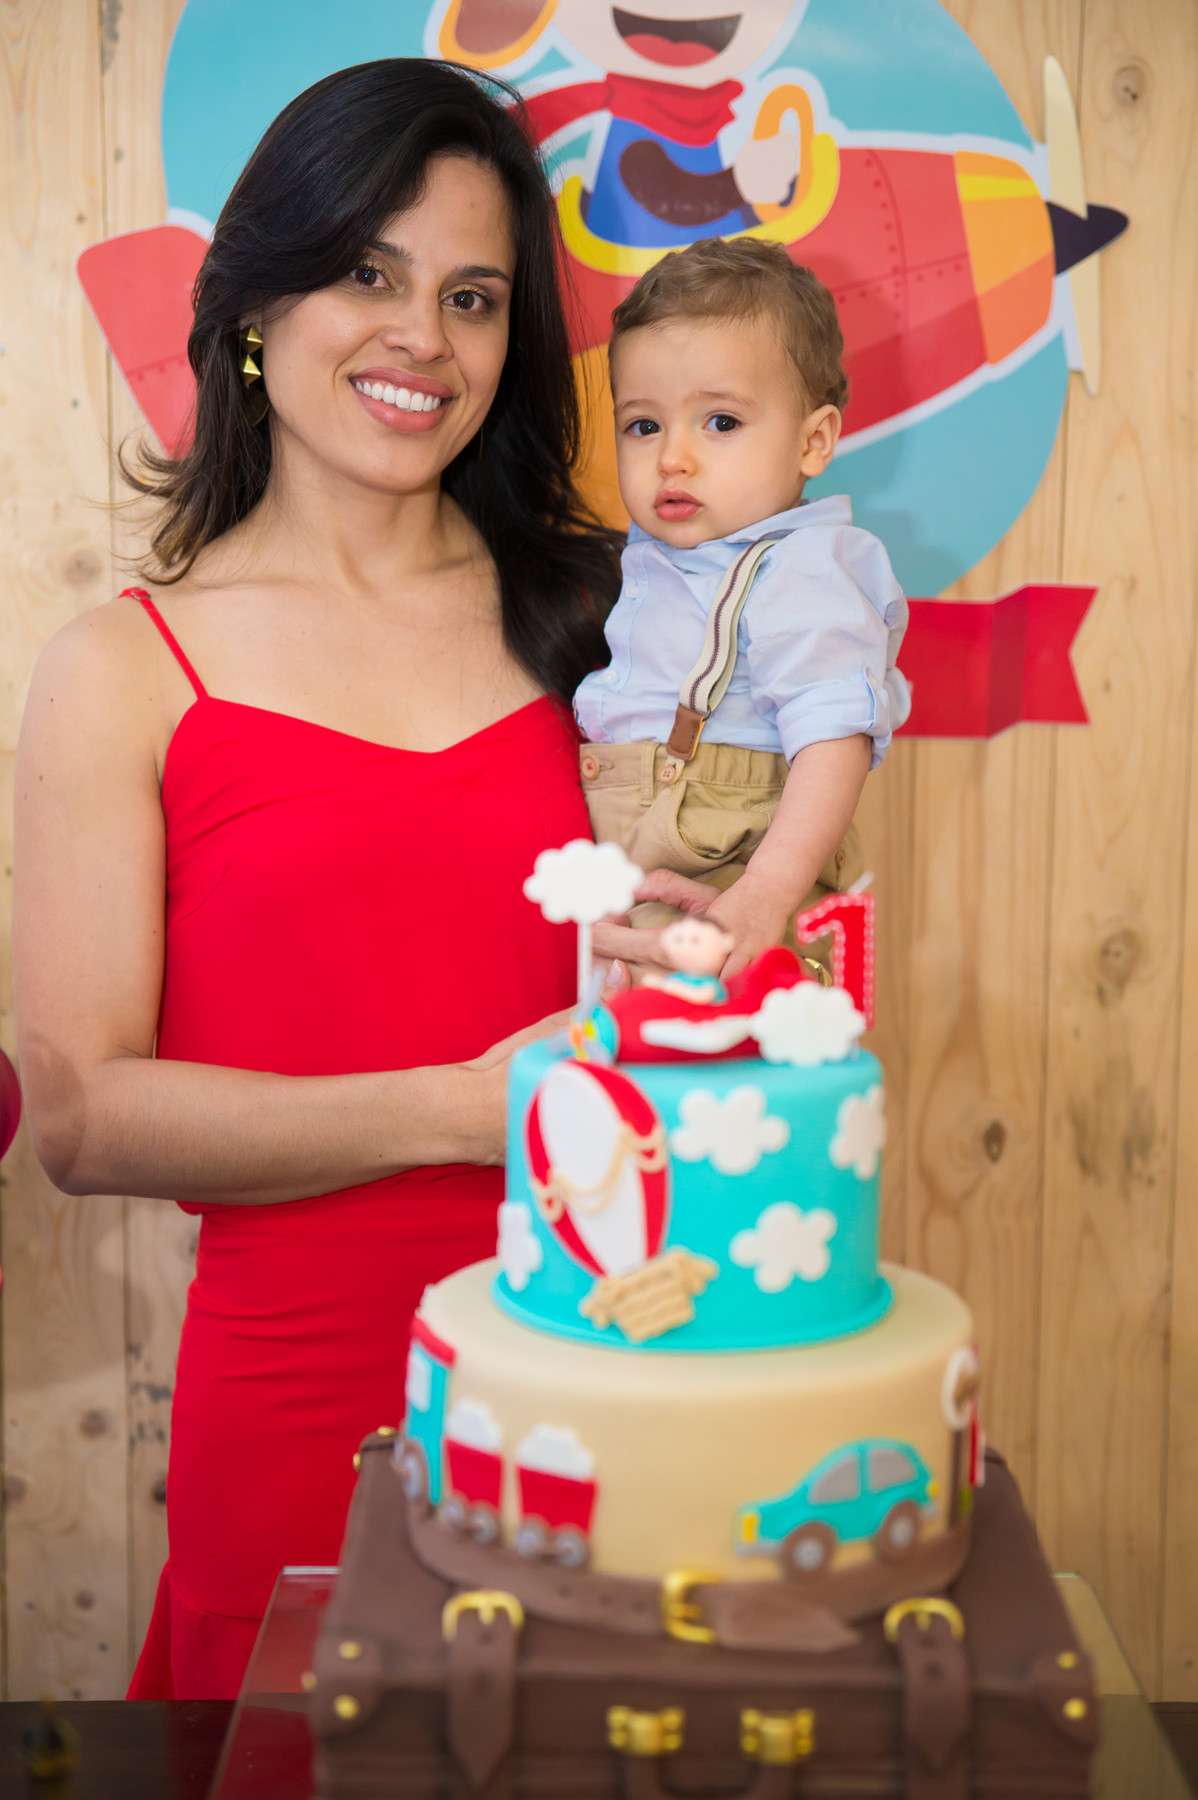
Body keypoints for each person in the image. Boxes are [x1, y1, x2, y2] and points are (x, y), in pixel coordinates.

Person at [12, 60, 621, 1700]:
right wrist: (458, 1106)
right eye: (368, 270)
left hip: (617, 1378)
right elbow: (78, 1117)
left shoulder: (609, 632)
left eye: (473, 295)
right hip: (296, 1423)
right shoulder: (122, 673)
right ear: (258, 306)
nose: (423, 334)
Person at [574, 237, 910, 978]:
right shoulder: (660, 564)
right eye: (644, 424)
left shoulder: (801, 570)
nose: (672, 457)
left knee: (709, 1062)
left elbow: (834, 742)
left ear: (813, 441)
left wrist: (767, 892)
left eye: (720, 422)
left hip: (730, 879)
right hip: (648, 871)